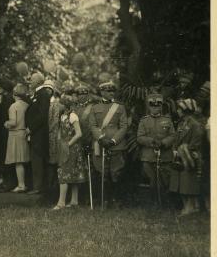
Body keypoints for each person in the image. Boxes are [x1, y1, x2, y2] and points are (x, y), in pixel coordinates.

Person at [89, 80, 128, 208]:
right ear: (102, 92)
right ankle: (103, 200)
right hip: (100, 144)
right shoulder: (95, 108)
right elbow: (93, 125)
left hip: (116, 144)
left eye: (113, 91)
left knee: (116, 173)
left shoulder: (120, 107)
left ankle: (116, 200)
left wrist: (113, 141)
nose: (111, 93)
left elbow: (123, 126)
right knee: (102, 172)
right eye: (108, 91)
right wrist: (100, 138)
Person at [137, 93, 176, 207]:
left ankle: (165, 203)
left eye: (157, 106)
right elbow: (139, 137)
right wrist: (151, 142)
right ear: (149, 107)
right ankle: (153, 203)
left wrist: (163, 143)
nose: (155, 108)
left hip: (165, 155)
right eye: (152, 106)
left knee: (165, 180)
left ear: (161, 106)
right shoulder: (144, 121)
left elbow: (173, 136)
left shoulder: (167, 120)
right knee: (152, 180)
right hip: (148, 156)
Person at [170, 99, 204, 216]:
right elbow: (176, 138)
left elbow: (196, 143)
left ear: (185, 110)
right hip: (180, 157)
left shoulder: (195, 125)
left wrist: (183, 150)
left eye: (179, 109)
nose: (178, 111)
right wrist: (174, 149)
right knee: (180, 183)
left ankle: (190, 207)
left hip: (189, 158)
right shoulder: (181, 123)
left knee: (188, 183)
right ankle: (187, 206)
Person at [53, 95, 85, 210]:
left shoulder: (72, 116)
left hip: (71, 148)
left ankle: (61, 203)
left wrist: (68, 144)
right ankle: (74, 201)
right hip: (65, 147)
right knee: (71, 173)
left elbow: (79, 133)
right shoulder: (63, 116)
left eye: (60, 103)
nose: (58, 105)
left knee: (64, 173)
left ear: (65, 104)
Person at [24, 72, 52, 195]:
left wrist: (31, 128)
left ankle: (39, 187)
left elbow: (42, 115)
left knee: (38, 160)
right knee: (35, 160)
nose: (30, 81)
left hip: (39, 134)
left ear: (39, 81)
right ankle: (37, 186)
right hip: (35, 134)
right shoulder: (37, 94)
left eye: (32, 79)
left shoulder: (43, 94)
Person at [4, 83, 30, 193]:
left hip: (15, 135)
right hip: (24, 133)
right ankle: (23, 184)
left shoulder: (13, 106)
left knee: (18, 162)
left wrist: (6, 123)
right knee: (22, 161)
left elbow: (13, 122)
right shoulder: (26, 105)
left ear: (14, 94)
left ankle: (21, 185)